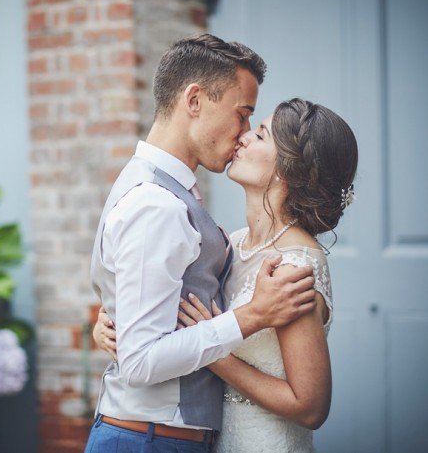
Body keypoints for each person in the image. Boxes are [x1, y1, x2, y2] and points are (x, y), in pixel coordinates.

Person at [84, 35, 317, 453]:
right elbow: (139, 361)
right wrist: (252, 315)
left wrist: (115, 315)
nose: (245, 133)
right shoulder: (157, 204)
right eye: (243, 114)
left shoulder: (164, 190)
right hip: (147, 441)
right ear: (194, 100)